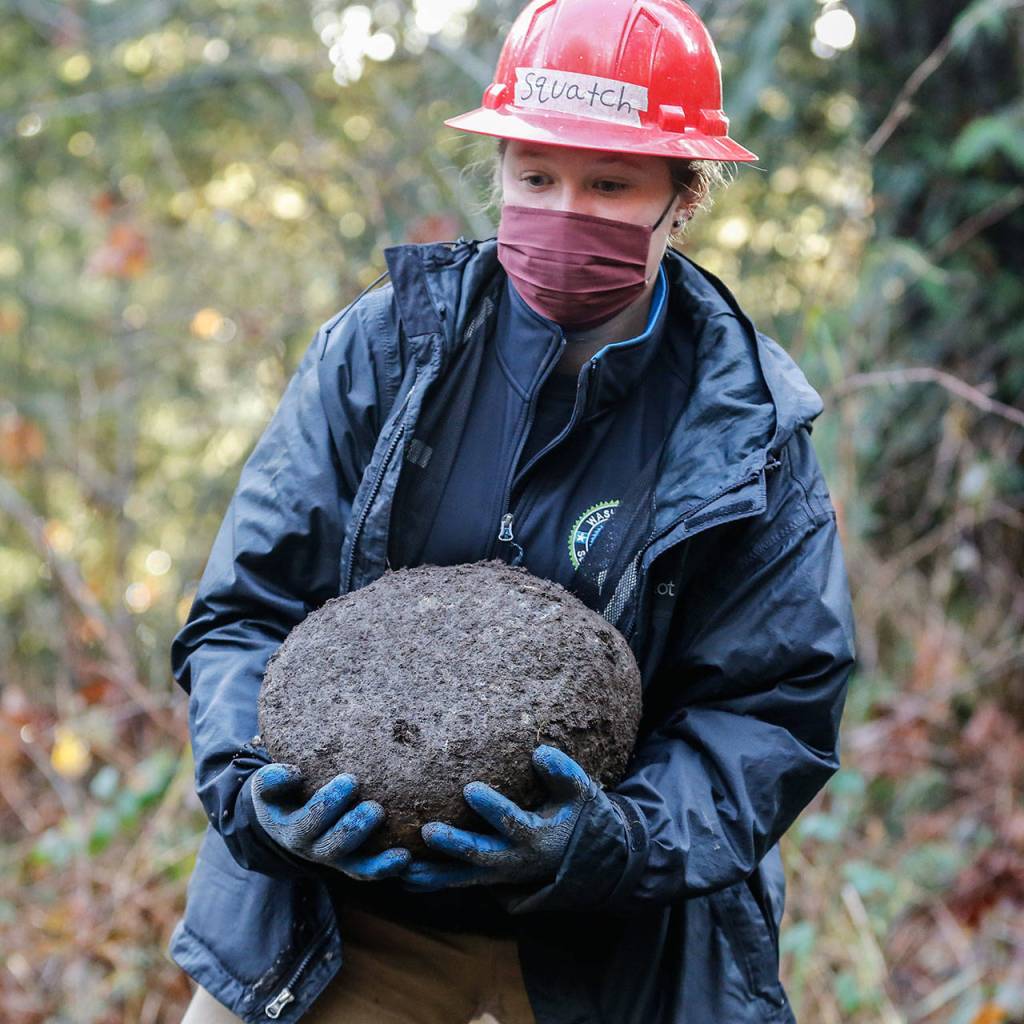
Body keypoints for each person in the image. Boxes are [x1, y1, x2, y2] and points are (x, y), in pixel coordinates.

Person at [169, 0, 856, 1021]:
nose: (563, 208)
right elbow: (243, 611)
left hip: (617, 940)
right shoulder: (383, 352)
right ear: (498, 174)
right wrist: (253, 794)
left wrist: (614, 842)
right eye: (534, 176)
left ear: (684, 195)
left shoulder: (743, 424)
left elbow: (772, 707)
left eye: (608, 182)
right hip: (347, 919)